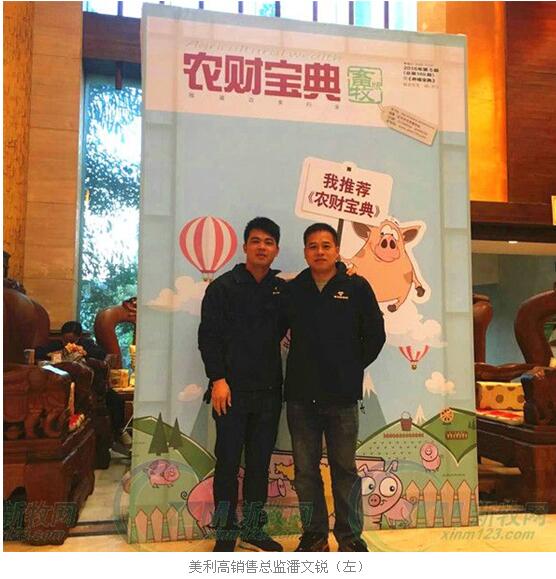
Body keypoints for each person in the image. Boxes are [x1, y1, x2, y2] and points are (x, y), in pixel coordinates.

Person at [283, 223, 386, 552]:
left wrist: (351, 367)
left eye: (326, 245)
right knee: (305, 472)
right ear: (305, 252)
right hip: (300, 396)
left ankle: (350, 537)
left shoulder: (356, 286)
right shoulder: (294, 289)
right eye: (313, 246)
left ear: (337, 250)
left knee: (345, 470)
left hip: (342, 397)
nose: (320, 251)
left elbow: (376, 334)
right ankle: (314, 536)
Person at [198, 217, 286, 552]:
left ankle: (252, 529)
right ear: (245, 246)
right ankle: (225, 534)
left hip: (268, 393)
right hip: (229, 392)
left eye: (269, 242)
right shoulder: (223, 287)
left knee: (259, 465)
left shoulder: (282, 290)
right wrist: (217, 379)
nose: (262, 247)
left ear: (276, 250)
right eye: (256, 241)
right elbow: (208, 337)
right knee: (227, 464)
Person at [36, 321, 130, 456]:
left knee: (116, 401)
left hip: (91, 386)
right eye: (66, 339)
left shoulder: (87, 344)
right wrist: (57, 353)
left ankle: (119, 432)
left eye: (72, 340)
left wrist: (82, 351)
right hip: (61, 386)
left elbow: (101, 354)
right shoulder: (56, 345)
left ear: (79, 337)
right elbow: (39, 352)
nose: (69, 343)